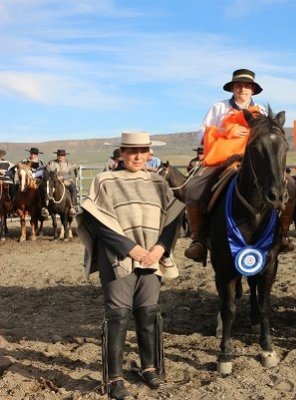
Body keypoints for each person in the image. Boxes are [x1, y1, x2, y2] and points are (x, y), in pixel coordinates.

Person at [76, 131, 184, 399]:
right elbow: (97, 221)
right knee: (118, 315)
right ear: (121, 153)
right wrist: (130, 248)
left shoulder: (159, 182)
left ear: (149, 153)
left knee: (148, 313)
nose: (137, 156)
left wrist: (160, 248)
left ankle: (149, 367)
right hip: (118, 258)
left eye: (142, 151)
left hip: (152, 257)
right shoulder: (105, 181)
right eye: (131, 151)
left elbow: (171, 220)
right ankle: (114, 378)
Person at [184, 68, 265, 262]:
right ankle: (199, 240)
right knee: (193, 189)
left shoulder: (261, 111)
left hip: (252, 163)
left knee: (285, 186)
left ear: (252, 89)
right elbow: (200, 135)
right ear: (232, 88)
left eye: (247, 86)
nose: (242, 89)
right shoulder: (218, 108)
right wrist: (225, 130)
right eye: (238, 85)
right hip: (222, 162)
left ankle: (282, 233)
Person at [45, 149, 79, 215]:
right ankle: (45, 207)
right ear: (57, 155)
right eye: (59, 155)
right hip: (54, 182)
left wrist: (63, 177)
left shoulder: (69, 164)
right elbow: (47, 171)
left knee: (73, 188)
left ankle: (73, 206)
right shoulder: (51, 163)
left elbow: (72, 175)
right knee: (45, 189)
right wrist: (54, 177)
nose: (60, 157)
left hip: (66, 181)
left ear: (65, 156)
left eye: (62, 155)